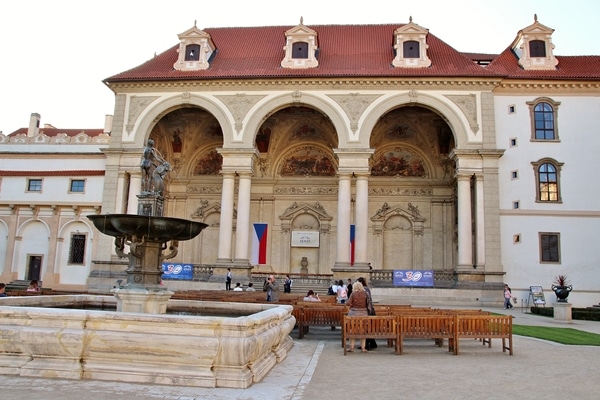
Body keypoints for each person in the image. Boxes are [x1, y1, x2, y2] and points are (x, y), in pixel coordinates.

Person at [345, 281, 369, 353]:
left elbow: (348, 303)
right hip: (364, 314)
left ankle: (351, 347)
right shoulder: (366, 294)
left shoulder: (353, 294)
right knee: (363, 331)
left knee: (352, 331)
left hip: (353, 314)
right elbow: (369, 304)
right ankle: (363, 348)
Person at [358, 276, 377, 350]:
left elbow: (367, 301)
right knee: (368, 328)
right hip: (370, 310)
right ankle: (371, 343)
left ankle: (368, 344)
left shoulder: (364, 289)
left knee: (367, 328)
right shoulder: (366, 289)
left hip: (368, 311)